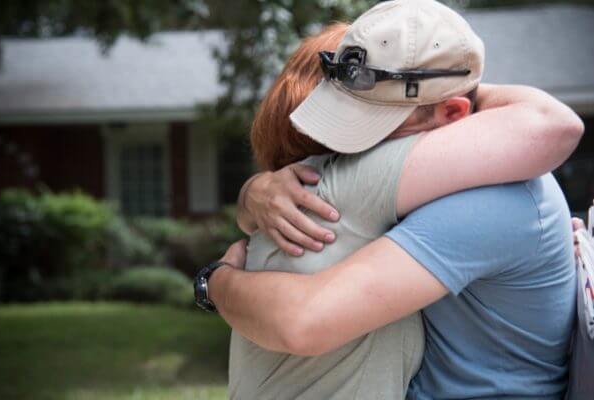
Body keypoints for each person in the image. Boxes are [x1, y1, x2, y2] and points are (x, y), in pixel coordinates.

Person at [194, 0, 585, 398]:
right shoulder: (446, 179)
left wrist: (215, 282)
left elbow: (304, 321)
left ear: (453, 115)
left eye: (378, 123)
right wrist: (255, 192)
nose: (354, 150)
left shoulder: (493, 201)